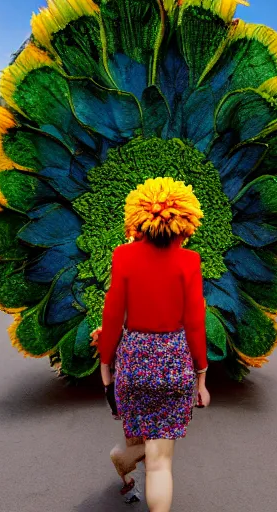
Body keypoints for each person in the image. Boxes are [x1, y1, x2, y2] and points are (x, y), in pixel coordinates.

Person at [98, 177, 210, 512]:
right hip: (174, 362)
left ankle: (122, 458)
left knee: (141, 434)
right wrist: (201, 378)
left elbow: (113, 313)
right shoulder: (189, 261)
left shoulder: (123, 256)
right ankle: (124, 461)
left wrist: (106, 367)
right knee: (161, 462)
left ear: (139, 219)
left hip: (133, 361)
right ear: (184, 221)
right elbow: (194, 322)